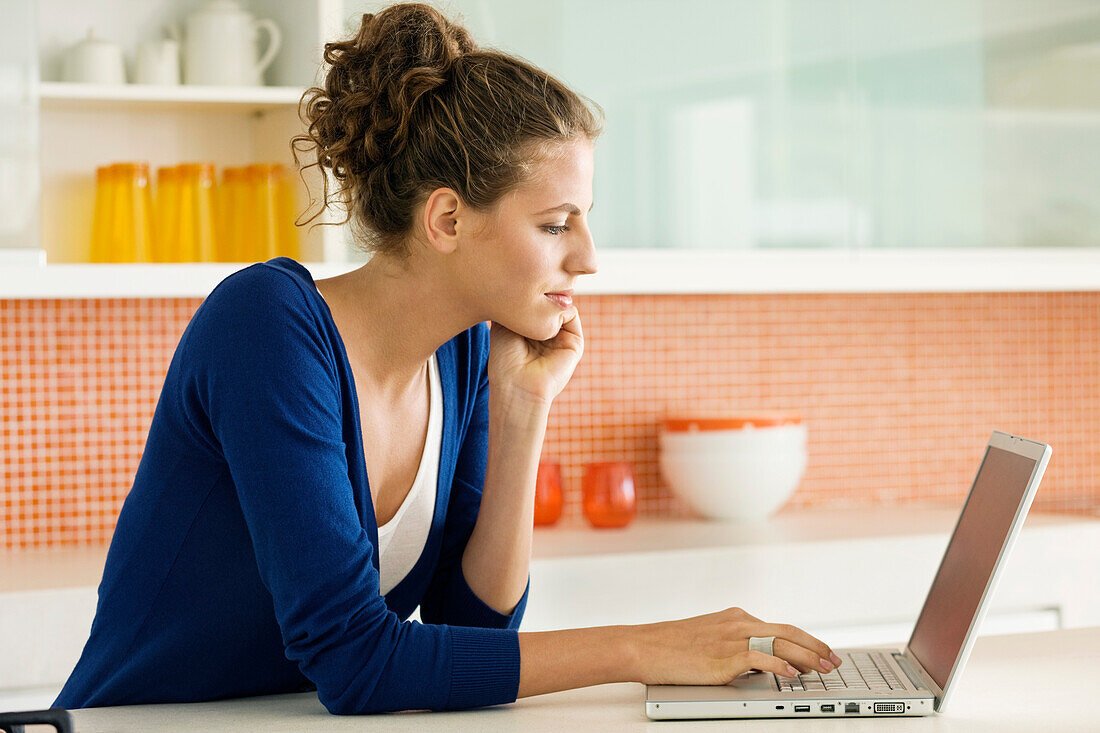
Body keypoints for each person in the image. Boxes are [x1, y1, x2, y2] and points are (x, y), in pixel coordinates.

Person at [53, 2, 841, 716]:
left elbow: (472, 625)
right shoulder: (267, 327)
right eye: (556, 224)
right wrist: (641, 648)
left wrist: (523, 409)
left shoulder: (463, 349)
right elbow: (359, 662)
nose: (590, 258)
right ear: (447, 219)